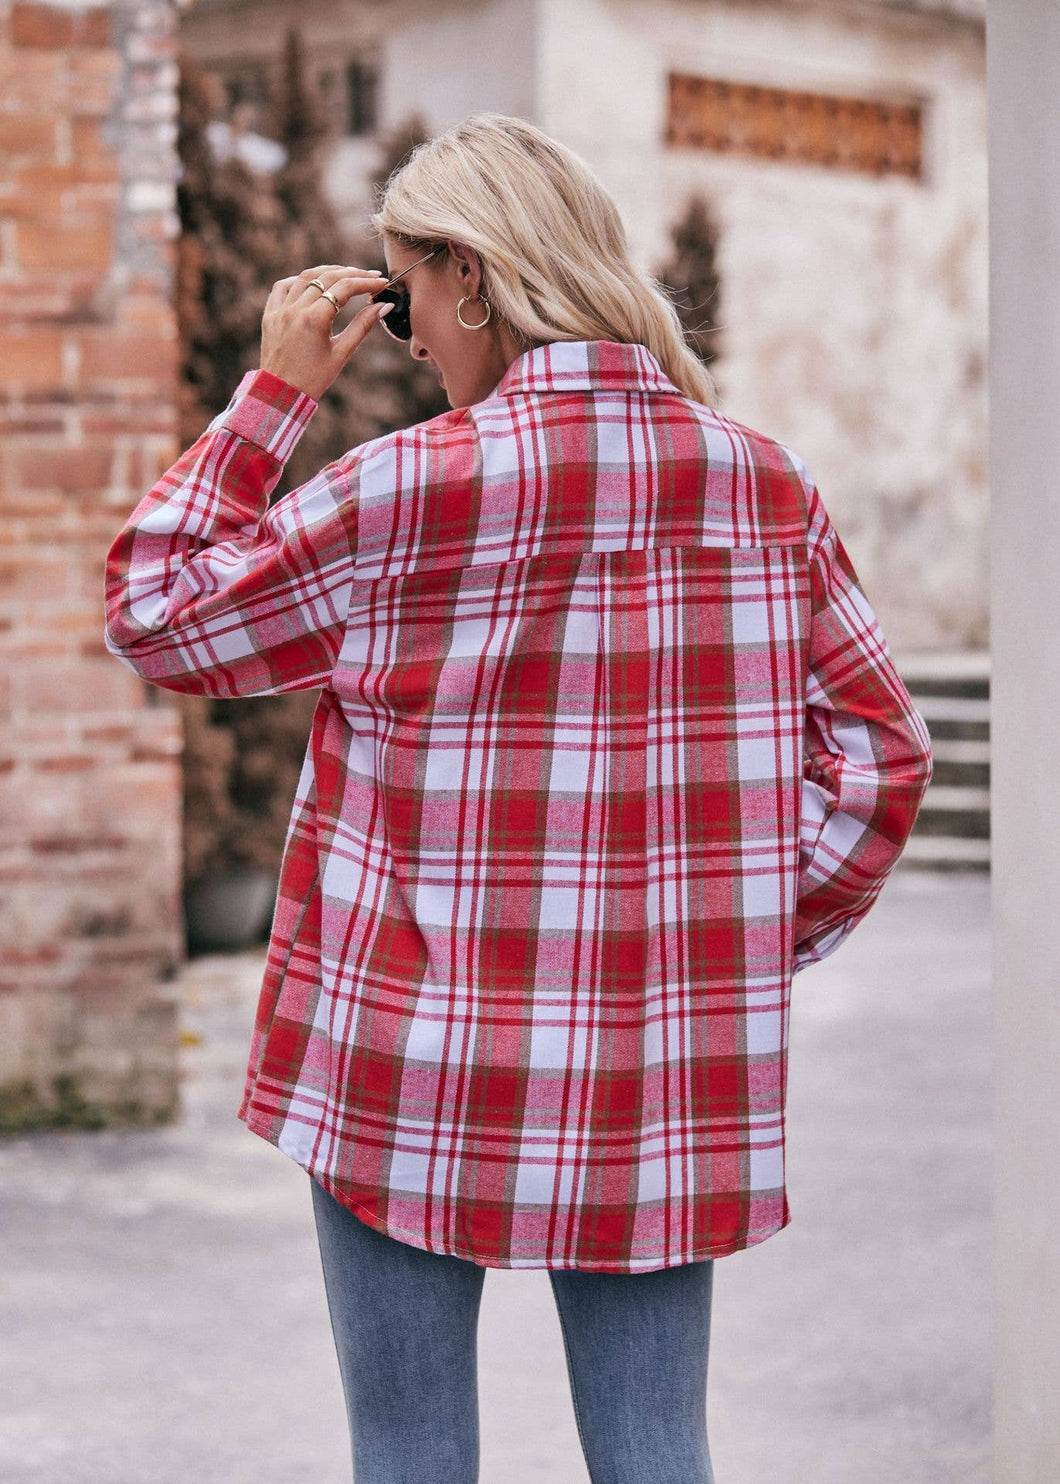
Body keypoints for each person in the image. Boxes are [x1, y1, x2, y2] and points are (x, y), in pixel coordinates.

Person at [103, 111, 934, 1483]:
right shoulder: (759, 482)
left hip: (409, 1059)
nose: (415, 340)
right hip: (665, 1070)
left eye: (414, 292)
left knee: (412, 1453)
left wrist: (273, 396)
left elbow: (158, 615)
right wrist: (730, 938)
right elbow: (881, 754)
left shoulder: (404, 495)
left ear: (473, 277)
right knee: (658, 1447)